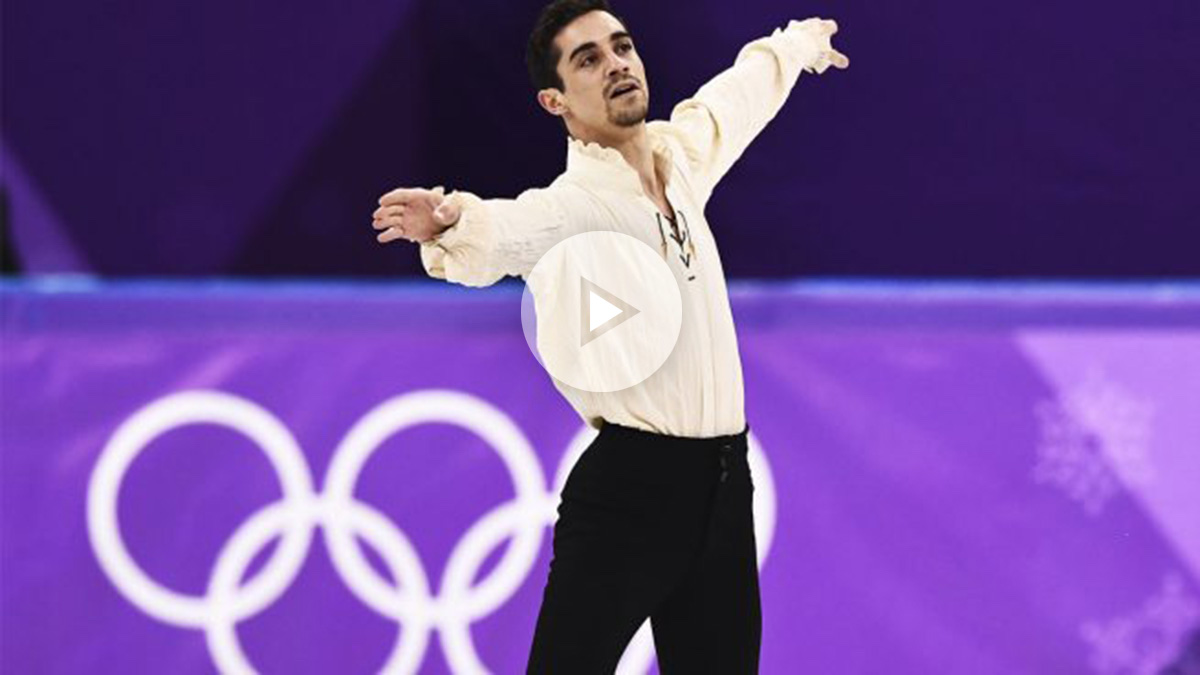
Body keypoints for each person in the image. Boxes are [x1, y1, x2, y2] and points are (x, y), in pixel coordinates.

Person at [371, 1, 847, 671]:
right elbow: (506, 231)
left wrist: (793, 45)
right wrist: (450, 221)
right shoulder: (574, 206)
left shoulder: (680, 162)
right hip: (633, 491)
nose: (615, 64)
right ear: (554, 99)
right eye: (588, 59)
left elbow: (731, 101)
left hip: (724, 484)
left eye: (621, 47)